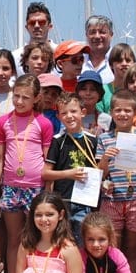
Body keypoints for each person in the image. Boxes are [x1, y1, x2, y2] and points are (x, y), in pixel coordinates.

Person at [0, 74, 53, 273]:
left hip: (35, 188)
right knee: (14, 239)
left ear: (36, 98)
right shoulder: (3, 122)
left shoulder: (43, 123)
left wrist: (48, 193)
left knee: (35, 238)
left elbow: (48, 161)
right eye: (16, 96)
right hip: (10, 187)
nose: (19, 101)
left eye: (25, 97)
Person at [96, 88, 136, 273]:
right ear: (112, 112)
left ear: (135, 112)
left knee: (132, 247)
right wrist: (105, 158)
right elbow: (99, 173)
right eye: (118, 110)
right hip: (112, 199)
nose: (123, 114)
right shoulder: (104, 139)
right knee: (113, 246)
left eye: (127, 110)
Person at [43, 92, 98, 243]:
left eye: (73, 111)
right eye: (64, 113)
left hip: (85, 202)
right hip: (63, 201)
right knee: (63, 242)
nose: (69, 116)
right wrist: (69, 174)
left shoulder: (93, 141)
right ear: (59, 117)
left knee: (82, 243)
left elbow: (98, 170)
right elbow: (45, 173)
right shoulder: (58, 141)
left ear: (83, 112)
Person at [12, 2, 56, 67]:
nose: (36, 26)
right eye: (32, 23)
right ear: (27, 27)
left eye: (41, 22)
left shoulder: (59, 53)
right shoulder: (15, 57)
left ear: (50, 26)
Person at [99, 43, 136, 113]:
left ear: (134, 64)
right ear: (111, 65)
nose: (124, 64)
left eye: (128, 60)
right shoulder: (103, 91)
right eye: (119, 61)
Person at [81, 14, 115, 83]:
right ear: (86, 35)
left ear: (111, 35)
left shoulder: (119, 60)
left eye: (102, 32)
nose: (97, 36)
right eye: (92, 32)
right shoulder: (78, 60)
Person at [76, 70, 106, 135]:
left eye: (93, 89)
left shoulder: (106, 119)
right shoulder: (71, 117)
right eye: (84, 89)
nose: (88, 93)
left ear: (100, 93)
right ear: (77, 92)